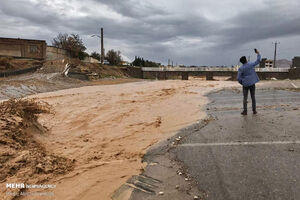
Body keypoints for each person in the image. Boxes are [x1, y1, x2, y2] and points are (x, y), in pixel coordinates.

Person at [237, 49, 261, 115]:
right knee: (253, 97)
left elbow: (238, 78)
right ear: (246, 60)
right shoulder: (250, 64)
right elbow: (258, 61)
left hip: (245, 85)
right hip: (252, 83)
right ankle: (254, 111)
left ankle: (245, 111)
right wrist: (258, 53)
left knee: (245, 98)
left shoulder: (241, 68)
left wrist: (242, 82)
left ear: (241, 62)